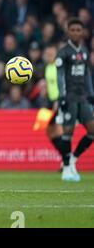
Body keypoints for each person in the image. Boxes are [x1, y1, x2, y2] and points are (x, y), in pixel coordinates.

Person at [54, 18, 94, 182]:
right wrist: (62, 96)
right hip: (69, 97)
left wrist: (91, 93)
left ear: (82, 32)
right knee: (67, 133)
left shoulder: (84, 51)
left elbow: (87, 74)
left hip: (83, 97)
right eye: (73, 30)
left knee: (92, 131)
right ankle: (66, 168)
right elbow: (60, 75)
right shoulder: (63, 52)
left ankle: (73, 159)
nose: (76, 32)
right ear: (68, 32)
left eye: (79, 29)